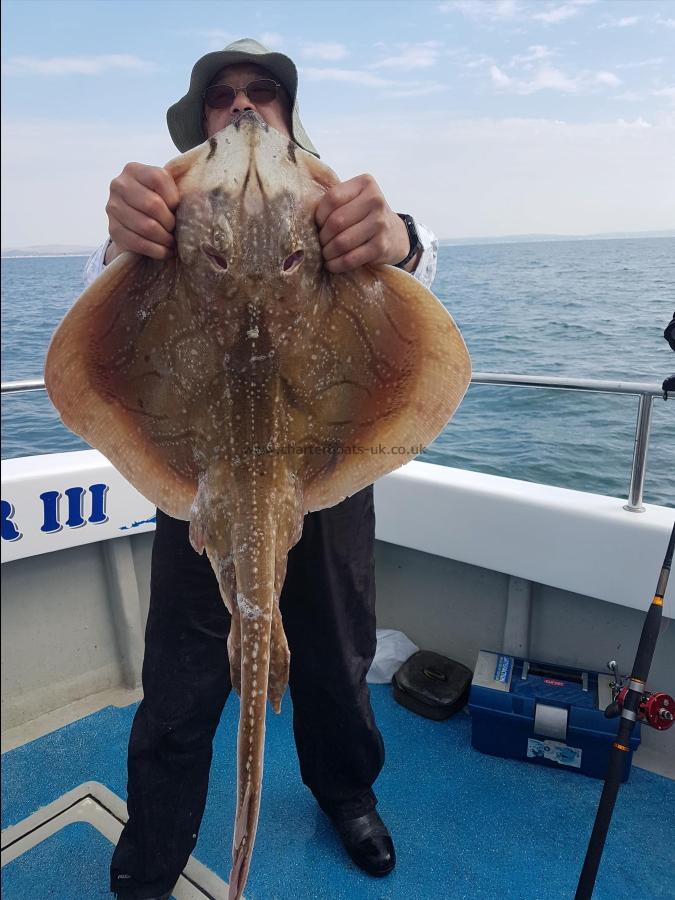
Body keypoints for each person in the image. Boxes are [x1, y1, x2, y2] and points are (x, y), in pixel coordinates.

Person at [85, 38, 438, 900]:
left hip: (323, 468)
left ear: (290, 113)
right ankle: (156, 847)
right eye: (223, 97)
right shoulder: (160, 213)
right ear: (198, 122)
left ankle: (345, 790)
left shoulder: (344, 206)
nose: (243, 106)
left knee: (338, 650)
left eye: (264, 92)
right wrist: (118, 244)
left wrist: (397, 239)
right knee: (179, 676)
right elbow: (93, 312)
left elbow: (423, 283)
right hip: (199, 480)